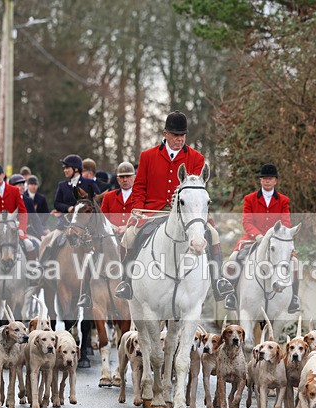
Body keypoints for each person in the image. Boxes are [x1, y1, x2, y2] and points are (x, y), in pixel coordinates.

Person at [113, 111, 232, 302]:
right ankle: (126, 282)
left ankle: (218, 281)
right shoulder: (148, 156)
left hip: (186, 216)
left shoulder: (196, 158)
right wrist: (137, 208)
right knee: (129, 236)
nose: (179, 139)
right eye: (175, 135)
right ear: (165, 134)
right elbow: (140, 186)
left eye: (182, 135)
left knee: (213, 235)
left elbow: (197, 193)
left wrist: (202, 214)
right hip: (153, 212)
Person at [223, 163, 301, 313]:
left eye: (270, 178)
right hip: (253, 238)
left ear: (275, 181)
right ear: (260, 180)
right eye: (264, 178)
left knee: (296, 263)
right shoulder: (250, 199)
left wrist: (277, 236)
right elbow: (246, 221)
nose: (267, 181)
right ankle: (231, 294)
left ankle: (294, 298)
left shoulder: (283, 200)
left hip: (277, 240)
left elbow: (285, 223)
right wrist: (258, 236)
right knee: (233, 259)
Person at [76, 161, 137, 309]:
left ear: (134, 178)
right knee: (90, 259)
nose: (125, 180)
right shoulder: (109, 196)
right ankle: (85, 295)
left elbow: (141, 216)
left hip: (133, 235)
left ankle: (131, 287)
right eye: (121, 177)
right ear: (117, 180)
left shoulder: (140, 196)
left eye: (128, 176)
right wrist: (113, 226)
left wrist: (126, 227)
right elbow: (101, 218)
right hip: (111, 236)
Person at [40, 154, 101, 263]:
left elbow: (97, 201)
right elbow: (57, 203)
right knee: (52, 243)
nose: (65, 170)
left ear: (76, 169)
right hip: (65, 223)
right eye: (64, 168)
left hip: (85, 223)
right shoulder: (62, 185)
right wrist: (68, 208)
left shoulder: (89, 183)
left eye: (67, 167)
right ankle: (43, 267)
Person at [24, 174, 50, 239]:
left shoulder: (42, 198)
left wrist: (40, 223)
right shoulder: (23, 197)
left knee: (49, 237)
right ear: (27, 186)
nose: (33, 186)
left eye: (35, 184)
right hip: (26, 225)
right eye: (31, 184)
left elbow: (46, 213)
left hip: (41, 225)